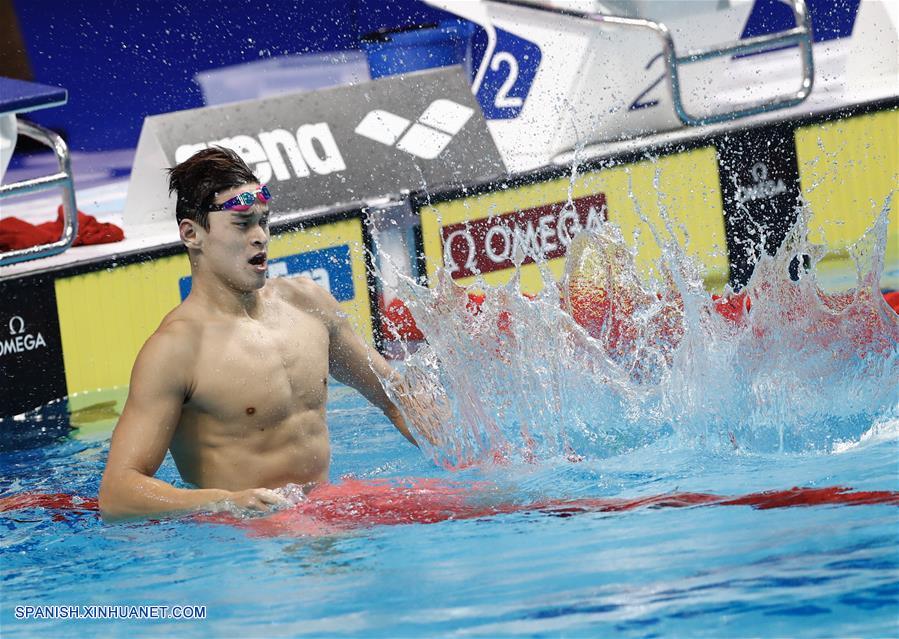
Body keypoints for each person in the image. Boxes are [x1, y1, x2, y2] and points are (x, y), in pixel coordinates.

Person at [99, 147, 420, 520]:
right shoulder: (176, 350)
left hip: (328, 508)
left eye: (264, 222)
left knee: (489, 501)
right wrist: (223, 501)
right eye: (242, 223)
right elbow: (117, 493)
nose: (260, 237)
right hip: (249, 537)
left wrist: (474, 458)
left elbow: (398, 399)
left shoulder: (308, 304)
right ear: (192, 233)